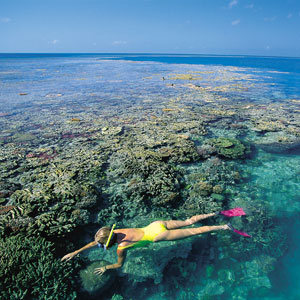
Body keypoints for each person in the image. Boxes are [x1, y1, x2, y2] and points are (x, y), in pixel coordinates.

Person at [61, 212, 231, 276]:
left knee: (195, 231)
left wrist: (107, 267)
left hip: (158, 235)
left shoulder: (122, 247)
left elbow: (119, 265)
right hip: (156, 224)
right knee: (189, 221)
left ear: (109, 243)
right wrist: (76, 252)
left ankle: (224, 226)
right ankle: (216, 212)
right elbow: (96, 241)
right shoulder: (119, 231)